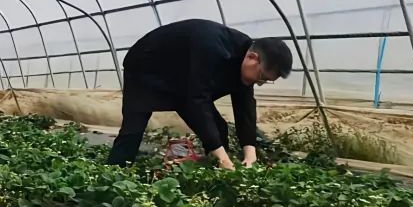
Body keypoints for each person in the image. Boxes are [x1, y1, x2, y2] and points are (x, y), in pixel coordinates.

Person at [107, 19, 292, 170]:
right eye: (261, 77)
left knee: (219, 128)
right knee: (133, 128)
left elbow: (245, 107)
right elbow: (197, 100)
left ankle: (215, 169)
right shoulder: (212, 47)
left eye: (266, 80)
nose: (259, 83)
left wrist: (250, 154)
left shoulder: (245, 56)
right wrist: (222, 156)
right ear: (252, 58)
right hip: (148, 67)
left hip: (183, 77)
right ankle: (114, 173)